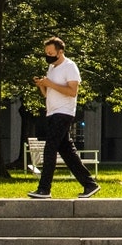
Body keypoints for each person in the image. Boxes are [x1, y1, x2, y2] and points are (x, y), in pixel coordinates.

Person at [27, 36, 100, 199]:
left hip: (64, 112)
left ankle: (44, 189)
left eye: (51, 52)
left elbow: (72, 92)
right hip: (52, 112)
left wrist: (50, 84)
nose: (48, 55)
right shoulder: (52, 69)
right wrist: (42, 86)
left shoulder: (70, 66)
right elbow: (48, 93)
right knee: (68, 152)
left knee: (50, 148)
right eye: (46, 52)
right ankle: (90, 184)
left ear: (60, 52)